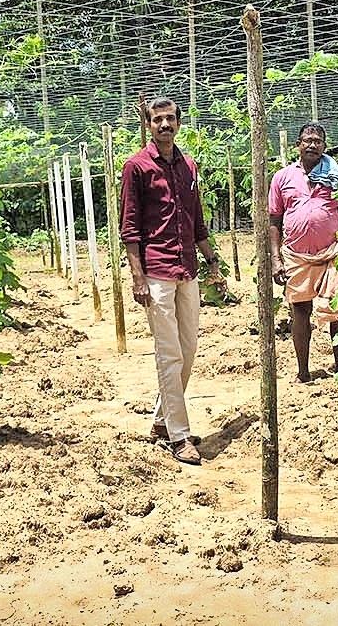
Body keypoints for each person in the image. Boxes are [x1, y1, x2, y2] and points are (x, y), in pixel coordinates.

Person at [120, 96, 227, 466]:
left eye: (170, 119)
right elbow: (129, 227)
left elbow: (197, 221)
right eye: (157, 120)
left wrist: (212, 261)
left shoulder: (188, 165)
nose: (164, 125)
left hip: (187, 269)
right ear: (148, 124)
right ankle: (180, 436)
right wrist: (137, 276)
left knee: (190, 348)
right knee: (169, 354)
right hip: (156, 272)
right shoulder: (136, 167)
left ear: (179, 123)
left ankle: (162, 420)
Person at [269, 122, 338, 381]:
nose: (312, 144)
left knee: (337, 310)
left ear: (325, 147)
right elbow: (274, 220)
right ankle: (303, 372)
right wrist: (275, 259)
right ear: (298, 145)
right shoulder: (282, 177)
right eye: (307, 140)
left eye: (318, 141)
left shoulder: (337, 177)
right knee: (300, 311)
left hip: (331, 254)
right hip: (295, 255)